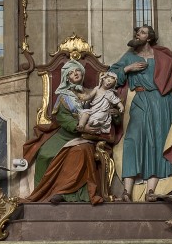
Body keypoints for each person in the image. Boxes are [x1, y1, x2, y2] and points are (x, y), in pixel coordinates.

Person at [109, 25, 172, 201]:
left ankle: (151, 191)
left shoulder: (162, 56)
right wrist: (128, 69)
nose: (137, 34)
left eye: (142, 32)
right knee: (132, 141)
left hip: (161, 102)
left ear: (149, 37)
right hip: (141, 99)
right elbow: (111, 75)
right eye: (137, 32)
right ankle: (127, 191)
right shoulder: (130, 56)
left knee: (157, 144)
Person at [22, 60, 110, 205]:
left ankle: (63, 193)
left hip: (86, 137)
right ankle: (45, 192)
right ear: (67, 78)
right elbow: (62, 117)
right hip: (66, 134)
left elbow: (104, 110)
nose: (75, 74)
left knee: (80, 151)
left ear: (82, 73)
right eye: (71, 72)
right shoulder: (64, 96)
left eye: (77, 71)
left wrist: (113, 112)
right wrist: (79, 126)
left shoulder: (93, 93)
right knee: (44, 154)